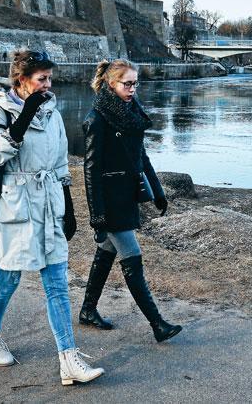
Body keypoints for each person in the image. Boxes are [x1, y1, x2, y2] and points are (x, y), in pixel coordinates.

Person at [0, 49, 104, 386]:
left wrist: (68, 204)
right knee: (8, 281)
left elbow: (61, 161)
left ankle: (68, 359)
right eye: (41, 79)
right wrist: (22, 118)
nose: (48, 85)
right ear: (21, 80)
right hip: (15, 207)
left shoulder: (52, 112)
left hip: (49, 205)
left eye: (50, 78)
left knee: (57, 284)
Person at [79, 59, 183, 342]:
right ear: (112, 84)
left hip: (126, 196)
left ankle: (88, 310)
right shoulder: (97, 118)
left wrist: (158, 190)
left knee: (105, 253)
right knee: (132, 259)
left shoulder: (130, 113)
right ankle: (158, 325)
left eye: (136, 83)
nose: (133, 88)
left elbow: (141, 156)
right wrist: (97, 216)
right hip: (110, 201)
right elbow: (90, 171)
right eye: (128, 83)